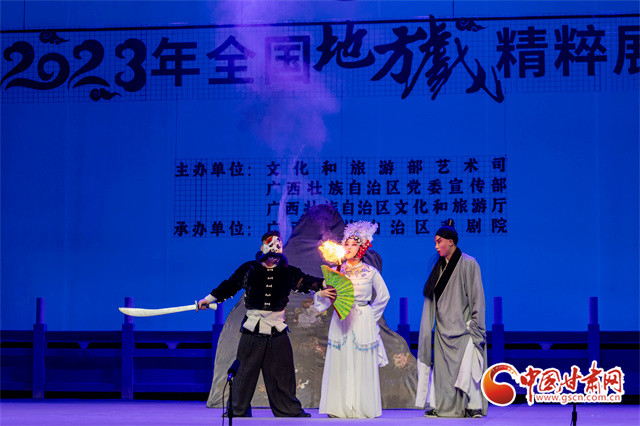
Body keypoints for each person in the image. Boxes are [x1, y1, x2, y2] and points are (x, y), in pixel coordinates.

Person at [198, 230, 334, 418]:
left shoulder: (288, 272)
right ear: (262, 247)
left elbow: (306, 282)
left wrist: (324, 284)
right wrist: (208, 299)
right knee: (244, 371)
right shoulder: (249, 269)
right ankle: (237, 409)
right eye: (270, 246)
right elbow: (229, 286)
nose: (274, 251)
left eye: (278, 246)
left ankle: (288, 409)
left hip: (277, 329)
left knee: (282, 371)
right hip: (252, 328)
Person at [314, 220, 390, 418]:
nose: (348, 247)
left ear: (362, 247)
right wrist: (321, 295)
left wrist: (370, 317)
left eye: (353, 244)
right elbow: (326, 300)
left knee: (361, 363)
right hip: (341, 320)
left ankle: (362, 408)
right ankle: (338, 408)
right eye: (346, 243)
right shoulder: (336, 271)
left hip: (362, 319)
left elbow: (384, 296)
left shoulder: (370, 272)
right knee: (340, 362)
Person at [415, 219, 488, 418]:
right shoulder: (437, 268)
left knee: (467, 369)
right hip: (442, 330)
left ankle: (472, 406)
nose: (436, 246)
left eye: (439, 242)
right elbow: (431, 302)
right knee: (443, 372)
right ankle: (441, 405)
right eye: (435, 242)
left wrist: (476, 326)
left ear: (451, 242)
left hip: (464, 329)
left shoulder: (469, 263)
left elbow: (477, 297)